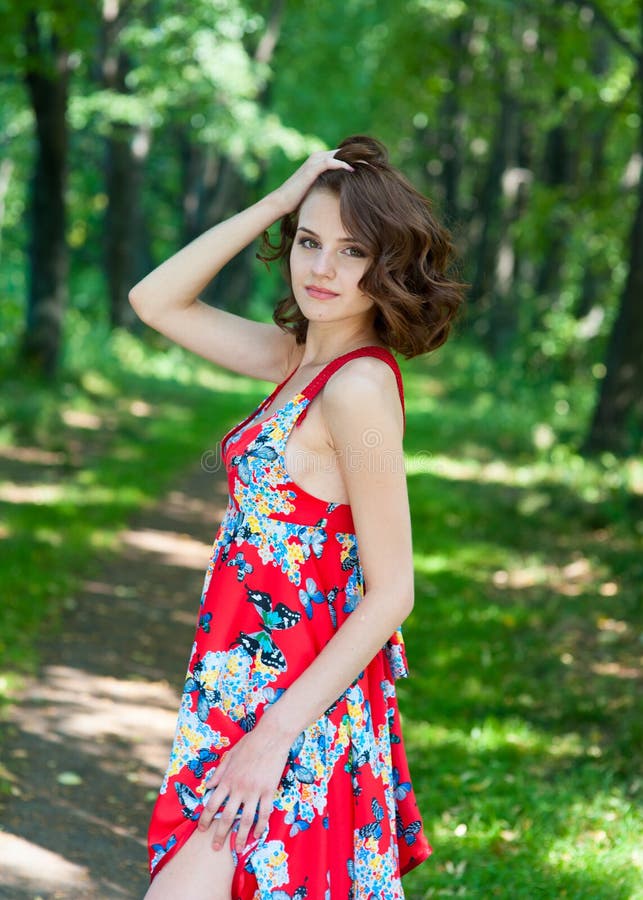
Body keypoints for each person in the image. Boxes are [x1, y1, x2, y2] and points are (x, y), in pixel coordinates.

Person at [129, 135, 465, 900]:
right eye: (308, 243)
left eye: (351, 252)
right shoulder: (296, 360)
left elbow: (392, 593)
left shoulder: (357, 390)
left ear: (386, 268)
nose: (320, 269)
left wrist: (274, 737)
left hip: (294, 705)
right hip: (238, 684)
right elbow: (155, 300)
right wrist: (279, 201)